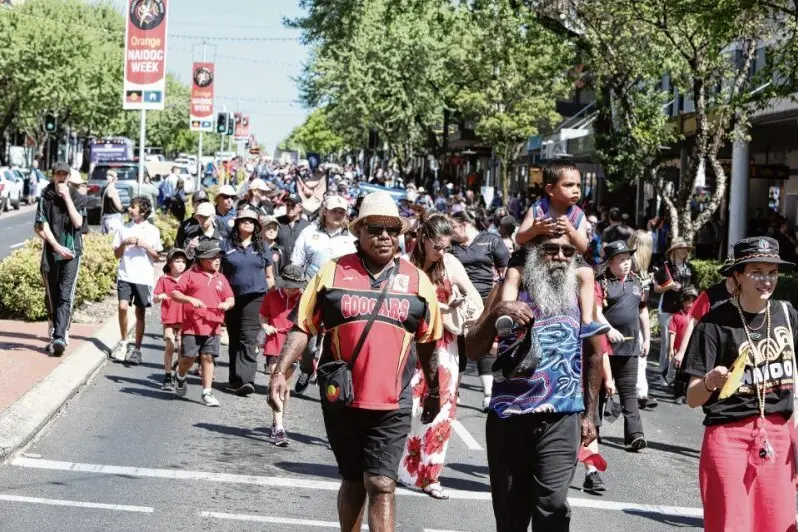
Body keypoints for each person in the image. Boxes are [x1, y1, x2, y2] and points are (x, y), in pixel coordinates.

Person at [269, 191, 443, 532]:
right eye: (376, 229)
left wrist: (435, 390)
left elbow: (429, 341)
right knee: (352, 479)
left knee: (381, 483)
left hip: (392, 401)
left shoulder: (418, 281)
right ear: (359, 231)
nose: (385, 237)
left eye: (393, 231)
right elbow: (303, 326)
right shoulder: (332, 273)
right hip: (342, 398)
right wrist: (280, 371)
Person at [466, 233, 602, 532]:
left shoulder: (580, 291)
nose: (561, 257)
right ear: (533, 252)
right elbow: (474, 349)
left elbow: (594, 353)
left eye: (568, 251)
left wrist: (591, 415)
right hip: (509, 418)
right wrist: (497, 313)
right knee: (511, 517)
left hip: (562, 417)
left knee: (552, 507)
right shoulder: (506, 290)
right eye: (551, 249)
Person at [684, 236, 797, 532]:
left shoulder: (787, 316)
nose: (766, 280)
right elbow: (693, 398)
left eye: (772, 272)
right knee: (729, 523)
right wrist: (710, 381)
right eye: (757, 272)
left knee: (777, 522)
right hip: (727, 438)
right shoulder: (713, 324)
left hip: (778, 436)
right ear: (737, 275)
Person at [398, 215, 483, 499]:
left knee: (442, 412)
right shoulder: (405, 264)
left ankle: (430, 475)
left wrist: (455, 307)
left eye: (447, 247)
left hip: (444, 346)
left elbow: (477, 302)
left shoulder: (450, 264)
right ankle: (401, 468)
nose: (442, 252)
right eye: (438, 246)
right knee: (408, 406)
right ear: (423, 239)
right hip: (408, 343)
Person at [512, 161, 608, 340]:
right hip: (536, 259)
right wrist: (535, 229)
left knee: (587, 274)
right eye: (569, 185)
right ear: (550, 189)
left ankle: (587, 321)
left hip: (567, 260)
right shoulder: (538, 208)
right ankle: (506, 313)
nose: (576, 190)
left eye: (578, 185)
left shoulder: (578, 214)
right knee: (512, 274)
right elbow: (519, 238)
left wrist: (571, 230)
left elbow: (583, 247)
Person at [290, 194, 357, 394]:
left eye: (342, 212)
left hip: (341, 296)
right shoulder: (308, 233)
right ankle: (307, 368)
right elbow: (296, 262)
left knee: (336, 343)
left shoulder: (352, 238)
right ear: (324, 211)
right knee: (308, 343)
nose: (338, 215)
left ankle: (332, 383)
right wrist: (297, 284)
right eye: (334, 210)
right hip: (312, 293)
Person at [450, 209, 509, 411]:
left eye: (452, 227)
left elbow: (506, 273)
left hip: (486, 301)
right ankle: (452, 391)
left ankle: (488, 395)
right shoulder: (452, 246)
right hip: (459, 302)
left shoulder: (491, 241)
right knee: (459, 345)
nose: (450, 232)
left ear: (464, 224)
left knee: (485, 344)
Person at [594, 241, 650, 451]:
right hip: (603, 348)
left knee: (628, 392)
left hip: (630, 347)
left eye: (628, 259)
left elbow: (643, 311)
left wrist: (646, 338)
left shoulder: (637, 282)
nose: (626, 263)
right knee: (598, 391)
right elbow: (596, 311)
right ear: (610, 263)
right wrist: (609, 330)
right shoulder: (601, 282)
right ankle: (593, 430)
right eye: (621, 260)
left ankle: (635, 435)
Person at [171, 240, 235, 407]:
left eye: (218, 256)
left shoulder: (221, 278)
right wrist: (190, 299)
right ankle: (180, 376)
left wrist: (227, 304)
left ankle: (207, 392)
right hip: (192, 326)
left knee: (208, 358)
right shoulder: (190, 275)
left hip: (213, 326)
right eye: (213, 257)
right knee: (188, 358)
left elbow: (230, 297)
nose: (217, 260)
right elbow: (175, 293)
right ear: (202, 259)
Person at [220, 209, 275, 396]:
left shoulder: (262, 247)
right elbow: (218, 272)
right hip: (231, 297)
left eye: (251, 221)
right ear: (237, 223)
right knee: (234, 336)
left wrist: (266, 293)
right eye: (243, 220)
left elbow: (270, 276)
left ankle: (247, 380)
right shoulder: (226, 244)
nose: (247, 223)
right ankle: (234, 379)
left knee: (248, 338)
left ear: (256, 226)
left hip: (255, 297)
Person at [35, 161, 87, 356]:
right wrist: (57, 247)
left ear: (69, 176)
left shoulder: (77, 197)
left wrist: (66, 198)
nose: (61, 177)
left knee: (65, 294)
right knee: (52, 296)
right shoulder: (45, 196)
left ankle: (59, 336)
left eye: (65, 174)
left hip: (72, 254)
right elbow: (42, 225)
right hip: (52, 253)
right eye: (58, 174)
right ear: (53, 175)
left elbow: (78, 222)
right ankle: (56, 331)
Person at [260, 265, 307, 447]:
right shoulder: (271, 296)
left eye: (295, 286)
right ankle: (279, 427)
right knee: (277, 385)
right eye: (288, 286)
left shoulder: (304, 299)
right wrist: (266, 326)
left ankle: (278, 419)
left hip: (293, 346)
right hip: (274, 344)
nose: (291, 290)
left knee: (286, 388)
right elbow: (263, 316)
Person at [112, 196, 163, 365]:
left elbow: (156, 257)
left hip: (143, 277)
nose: (129, 209)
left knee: (140, 313)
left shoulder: (152, 230)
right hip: (125, 275)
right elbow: (116, 255)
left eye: (133, 207)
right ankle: (124, 341)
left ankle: (138, 348)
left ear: (143, 211)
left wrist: (146, 245)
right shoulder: (123, 228)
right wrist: (124, 244)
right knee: (122, 307)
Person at [653, 238, 697, 385]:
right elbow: (656, 288)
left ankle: (678, 375)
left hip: (684, 309)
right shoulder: (665, 268)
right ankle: (663, 373)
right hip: (668, 308)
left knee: (683, 342)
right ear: (674, 251)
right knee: (667, 343)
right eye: (681, 248)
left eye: (686, 249)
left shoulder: (690, 268)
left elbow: (695, 288)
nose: (684, 251)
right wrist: (669, 287)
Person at [628, 230, 658, 409]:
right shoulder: (631, 265)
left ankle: (641, 392)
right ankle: (639, 392)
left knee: (640, 355)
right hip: (629, 314)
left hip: (637, 312)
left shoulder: (643, 268)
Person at [153, 248, 188, 390]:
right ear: (169, 263)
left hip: (184, 320)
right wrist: (159, 297)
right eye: (177, 261)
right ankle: (167, 375)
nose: (181, 264)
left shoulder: (188, 278)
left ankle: (179, 374)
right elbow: (155, 298)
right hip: (169, 319)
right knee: (170, 345)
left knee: (181, 348)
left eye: (183, 262)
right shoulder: (164, 279)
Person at [668, 286, 698, 404]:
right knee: (679, 373)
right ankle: (678, 395)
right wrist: (671, 348)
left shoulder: (696, 317)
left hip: (692, 349)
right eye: (687, 301)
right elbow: (672, 333)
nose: (690, 304)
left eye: (692, 301)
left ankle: (687, 394)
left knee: (689, 373)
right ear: (682, 301)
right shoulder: (677, 316)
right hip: (680, 349)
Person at [275, 193, 310, 261]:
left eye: (293, 205)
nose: (290, 208)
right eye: (288, 205)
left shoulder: (307, 226)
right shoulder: (277, 222)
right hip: (279, 265)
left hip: (298, 266)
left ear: (300, 207)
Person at [100, 170, 124, 235]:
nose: (117, 178)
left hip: (105, 218)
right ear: (113, 179)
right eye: (116, 177)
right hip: (114, 220)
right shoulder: (112, 190)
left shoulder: (104, 189)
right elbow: (119, 207)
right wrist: (123, 209)